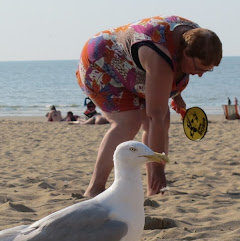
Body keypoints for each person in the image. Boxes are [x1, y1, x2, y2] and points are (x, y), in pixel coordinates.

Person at [77, 16, 222, 197]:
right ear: (186, 53)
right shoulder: (159, 55)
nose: (200, 75)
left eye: (207, 70)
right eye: (200, 68)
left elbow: (172, 73)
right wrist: (159, 171)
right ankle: (95, 188)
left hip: (133, 68)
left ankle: (154, 189)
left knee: (163, 119)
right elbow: (156, 117)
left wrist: (176, 96)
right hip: (101, 62)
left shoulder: (196, 38)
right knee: (130, 123)